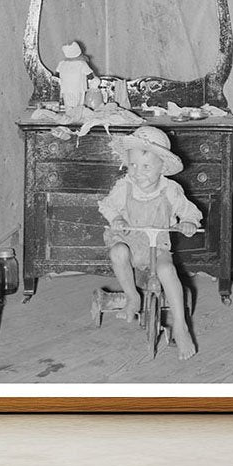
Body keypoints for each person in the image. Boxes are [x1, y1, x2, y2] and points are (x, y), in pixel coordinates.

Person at [98, 126, 201, 360]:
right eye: (133, 165)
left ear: (162, 168)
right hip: (131, 241)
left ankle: (181, 326)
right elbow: (107, 205)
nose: (137, 172)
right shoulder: (125, 186)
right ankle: (132, 296)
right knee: (118, 253)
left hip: (158, 246)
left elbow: (189, 213)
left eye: (145, 167)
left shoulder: (171, 190)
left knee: (167, 269)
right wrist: (117, 218)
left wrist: (188, 223)